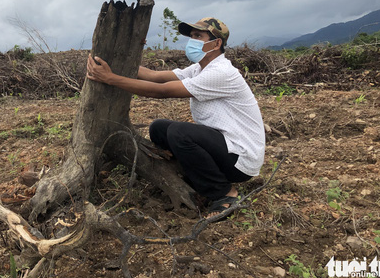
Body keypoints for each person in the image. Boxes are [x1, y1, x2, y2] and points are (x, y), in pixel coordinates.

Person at [86, 17, 265, 217]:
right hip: (225, 147)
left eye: (199, 35)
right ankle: (193, 175)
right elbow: (154, 76)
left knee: (180, 133)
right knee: (159, 128)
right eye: (192, 36)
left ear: (216, 43)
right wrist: (118, 61)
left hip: (240, 159)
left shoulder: (221, 72)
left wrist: (111, 78)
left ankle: (224, 193)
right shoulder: (199, 68)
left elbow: (160, 91)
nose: (192, 40)